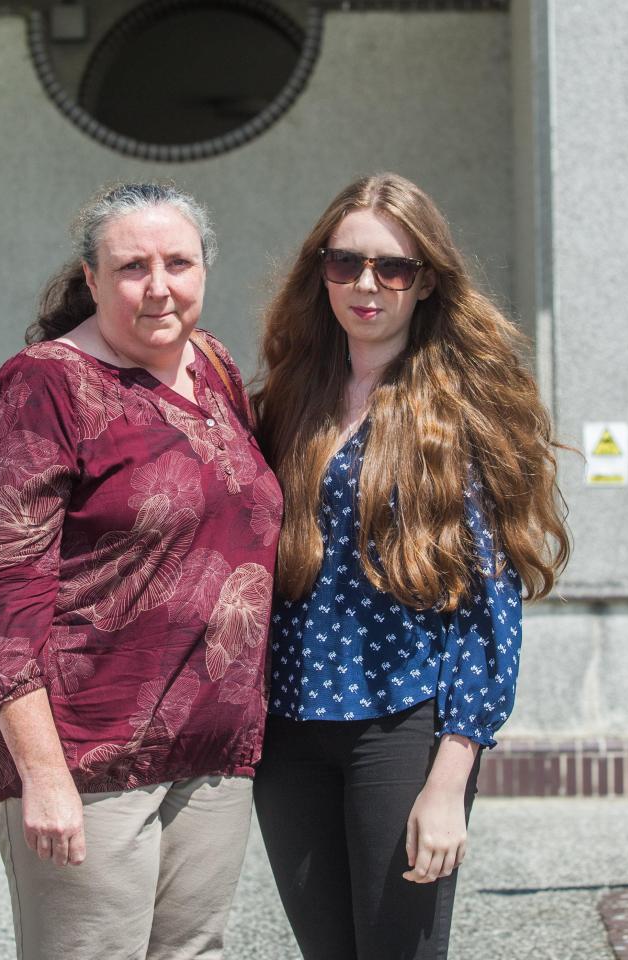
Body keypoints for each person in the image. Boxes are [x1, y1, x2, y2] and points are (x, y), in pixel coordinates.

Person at [250, 173, 570, 960]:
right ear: (318, 269)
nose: (366, 285)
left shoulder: (468, 406)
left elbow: (491, 609)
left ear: (426, 280)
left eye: (392, 267)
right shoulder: (288, 398)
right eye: (345, 262)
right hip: (288, 732)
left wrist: (449, 776)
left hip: (402, 726)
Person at [0, 182, 282, 960]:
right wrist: (43, 773)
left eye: (179, 262)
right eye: (133, 266)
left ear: (205, 268)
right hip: (86, 753)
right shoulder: (46, 386)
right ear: (94, 279)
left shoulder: (216, 370)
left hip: (211, 750)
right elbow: (1, 593)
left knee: (194, 952)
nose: (159, 285)